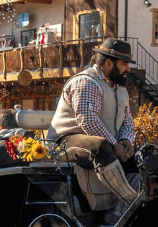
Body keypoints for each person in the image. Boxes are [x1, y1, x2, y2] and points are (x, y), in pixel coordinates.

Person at [51, 38, 140, 207]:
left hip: (102, 141)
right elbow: (88, 120)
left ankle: (121, 212)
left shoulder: (120, 89)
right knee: (101, 147)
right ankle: (131, 200)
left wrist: (127, 141)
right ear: (108, 63)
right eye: (124, 63)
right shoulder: (86, 82)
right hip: (65, 141)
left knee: (139, 155)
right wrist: (115, 145)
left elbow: (127, 120)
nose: (128, 68)